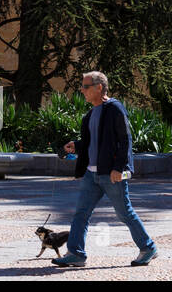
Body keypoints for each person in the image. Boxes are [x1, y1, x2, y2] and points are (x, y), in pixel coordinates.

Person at [54, 71, 158, 267]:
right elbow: (92, 142)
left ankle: (148, 247)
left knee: (124, 213)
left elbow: (125, 140)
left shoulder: (115, 109)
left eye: (85, 87)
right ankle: (76, 253)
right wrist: (76, 145)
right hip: (91, 174)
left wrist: (118, 168)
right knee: (81, 213)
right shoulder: (91, 113)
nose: (82, 90)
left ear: (98, 87)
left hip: (111, 175)